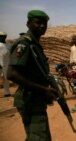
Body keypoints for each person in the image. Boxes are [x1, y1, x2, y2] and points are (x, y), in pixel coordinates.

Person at [7, 10, 57, 141]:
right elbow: (11, 74)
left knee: (35, 136)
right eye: (38, 22)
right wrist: (43, 89)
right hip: (29, 99)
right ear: (28, 23)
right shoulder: (25, 44)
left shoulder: (35, 45)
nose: (42, 26)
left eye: (45, 23)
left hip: (36, 99)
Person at [0, 31, 11, 97]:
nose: (2, 38)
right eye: (1, 37)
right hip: (0, 65)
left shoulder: (8, 45)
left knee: (6, 80)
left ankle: (6, 92)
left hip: (6, 65)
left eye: (4, 37)